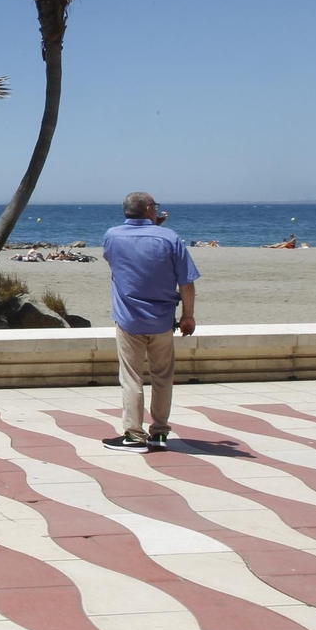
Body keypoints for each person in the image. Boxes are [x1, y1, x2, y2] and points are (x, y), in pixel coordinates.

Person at [102, 192, 199, 452]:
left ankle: (134, 434)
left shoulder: (112, 236)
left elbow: (120, 262)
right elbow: (186, 282)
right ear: (148, 209)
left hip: (129, 319)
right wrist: (188, 316)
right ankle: (159, 432)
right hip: (162, 321)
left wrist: (152, 225)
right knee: (162, 378)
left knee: (131, 378)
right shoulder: (170, 238)